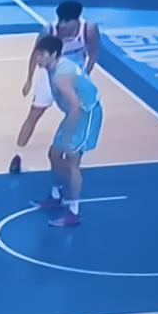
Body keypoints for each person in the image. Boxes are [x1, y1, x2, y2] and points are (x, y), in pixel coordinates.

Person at [10, 0, 98, 173]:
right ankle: (18, 154)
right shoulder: (49, 30)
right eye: (61, 21)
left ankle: (74, 159)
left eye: (67, 21)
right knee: (34, 114)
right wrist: (29, 80)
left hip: (73, 79)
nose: (63, 25)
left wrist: (85, 75)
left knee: (78, 116)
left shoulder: (88, 30)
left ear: (76, 20)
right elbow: (36, 54)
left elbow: (93, 54)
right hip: (48, 77)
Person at [29, 33, 103, 228]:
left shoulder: (61, 76)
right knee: (54, 154)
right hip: (74, 112)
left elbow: (76, 106)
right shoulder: (53, 67)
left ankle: (73, 212)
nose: (38, 58)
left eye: (42, 55)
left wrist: (69, 138)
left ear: (54, 55)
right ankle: (57, 195)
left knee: (72, 160)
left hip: (87, 113)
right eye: (37, 54)